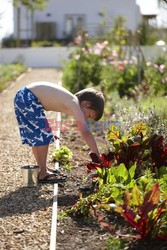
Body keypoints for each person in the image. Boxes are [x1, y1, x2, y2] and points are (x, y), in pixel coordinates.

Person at [14, 81, 105, 184]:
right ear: (86, 104)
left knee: (38, 137)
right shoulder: (74, 104)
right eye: (89, 116)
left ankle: (41, 168)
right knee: (43, 136)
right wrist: (97, 154)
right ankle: (43, 173)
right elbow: (85, 132)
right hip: (29, 98)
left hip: (24, 95)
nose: (86, 119)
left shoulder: (71, 100)